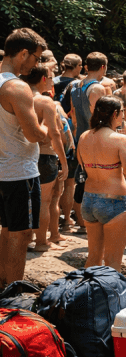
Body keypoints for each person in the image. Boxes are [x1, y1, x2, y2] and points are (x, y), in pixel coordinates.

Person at [0, 28, 49, 286]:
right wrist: (48, 129)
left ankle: (2, 284)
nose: (36, 64)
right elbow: (33, 134)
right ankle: (14, 292)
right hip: (20, 171)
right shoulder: (17, 87)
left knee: (6, 230)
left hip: (2, 171)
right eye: (36, 58)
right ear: (22, 53)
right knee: (22, 234)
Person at [77, 96, 126, 270]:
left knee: (93, 258)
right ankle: (111, 297)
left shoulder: (84, 136)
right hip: (113, 200)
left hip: (89, 200)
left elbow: (82, 166)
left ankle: (88, 295)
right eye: (122, 112)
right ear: (115, 113)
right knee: (113, 262)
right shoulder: (119, 139)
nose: (123, 116)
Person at [23, 65, 68, 252]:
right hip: (44, 155)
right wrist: (64, 163)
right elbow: (56, 135)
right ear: (43, 79)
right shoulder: (44, 102)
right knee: (44, 201)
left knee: (24, 199)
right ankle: (42, 241)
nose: (52, 81)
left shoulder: (15, 97)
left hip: (21, 155)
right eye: (50, 77)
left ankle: (24, 239)